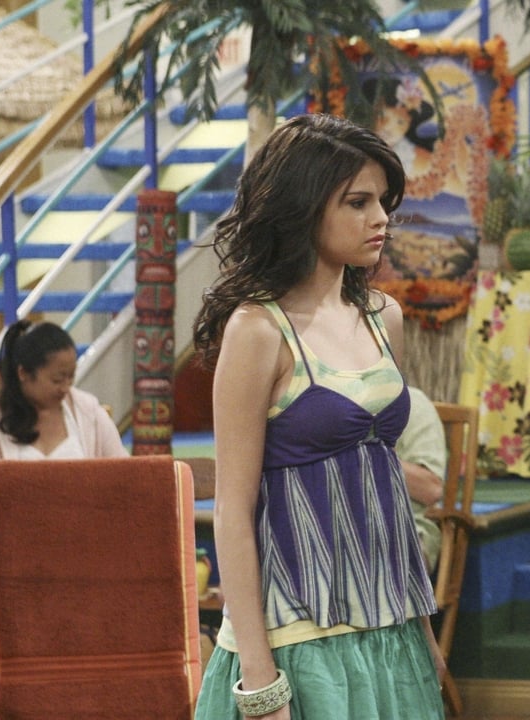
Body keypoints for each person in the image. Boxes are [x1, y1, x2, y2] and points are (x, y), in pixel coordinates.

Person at [190, 113, 444, 720]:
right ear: (303, 207)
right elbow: (232, 510)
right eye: (357, 202)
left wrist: (423, 633)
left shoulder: (384, 317)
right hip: (297, 638)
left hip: (391, 630)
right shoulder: (257, 329)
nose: (380, 218)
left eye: (382, 201)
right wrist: (260, 683)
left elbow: (386, 482)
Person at [0, 319, 128, 588]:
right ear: (23, 373)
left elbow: (124, 474)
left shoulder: (87, 411)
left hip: (80, 531)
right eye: (57, 379)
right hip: (9, 536)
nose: (65, 387)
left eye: (70, 377)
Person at [395, 386, 447, 573]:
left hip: (403, 529)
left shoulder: (411, 403)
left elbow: (431, 489)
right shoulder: (318, 402)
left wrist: (369, 456)